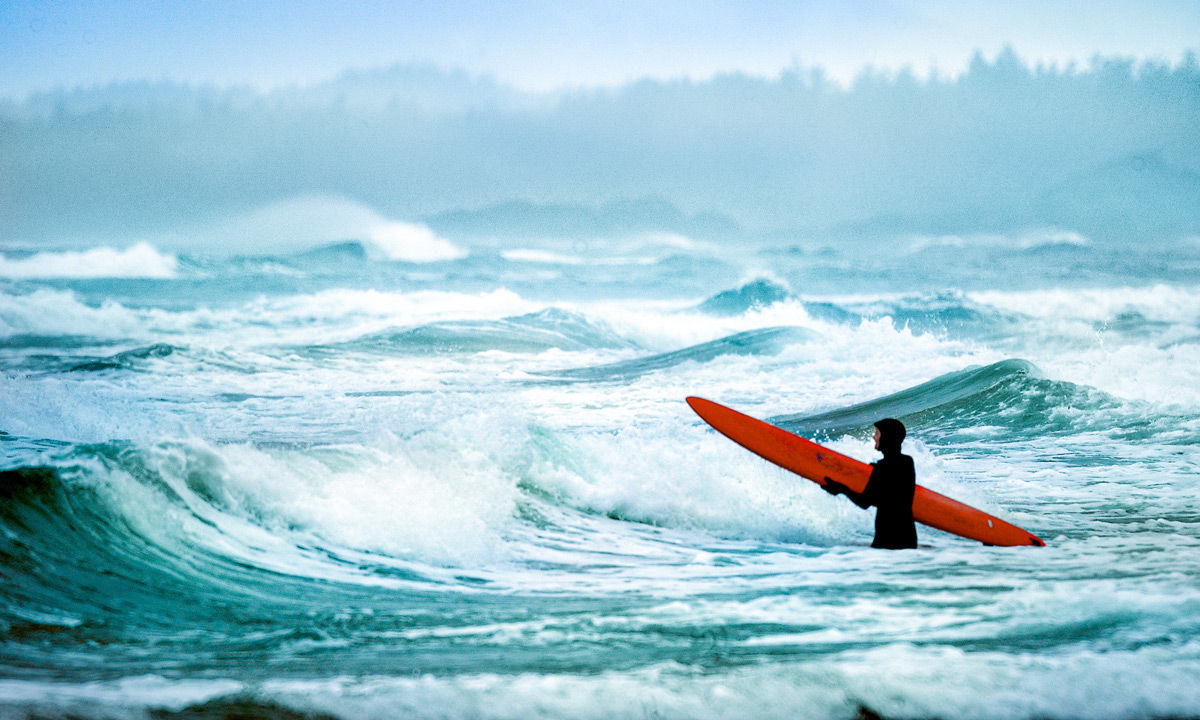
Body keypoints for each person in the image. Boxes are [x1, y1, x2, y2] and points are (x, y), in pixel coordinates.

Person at [822, 418, 917, 549]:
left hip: (887, 538)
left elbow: (864, 502)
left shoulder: (881, 468)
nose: (874, 437)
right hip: (907, 536)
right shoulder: (907, 462)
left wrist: (841, 489)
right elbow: (890, 496)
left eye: (877, 433)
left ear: (887, 437)